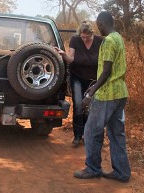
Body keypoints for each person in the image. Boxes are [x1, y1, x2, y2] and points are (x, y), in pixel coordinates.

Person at [73, 11, 131, 183]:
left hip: (107, 94)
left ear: (101, 23)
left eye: (98, 24)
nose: (98, 28)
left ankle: (92, 168)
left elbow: (106, 72)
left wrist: (90, 93)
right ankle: (121, 172)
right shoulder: (118, 38)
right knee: (116, 134)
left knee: (91, 131)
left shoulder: (107, 42)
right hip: (120, 92)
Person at [56, 21, 103, 146]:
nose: (85, 39)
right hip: (77, 77)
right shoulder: (75, 40)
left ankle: (87, 135)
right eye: (83, 37)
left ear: (92, 34)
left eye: (87, 37)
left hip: (93, 80)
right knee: (78, 105)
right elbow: (71, 59)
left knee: (90, 108)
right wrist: (64, 54)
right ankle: (77, 135)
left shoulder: (100, 41)